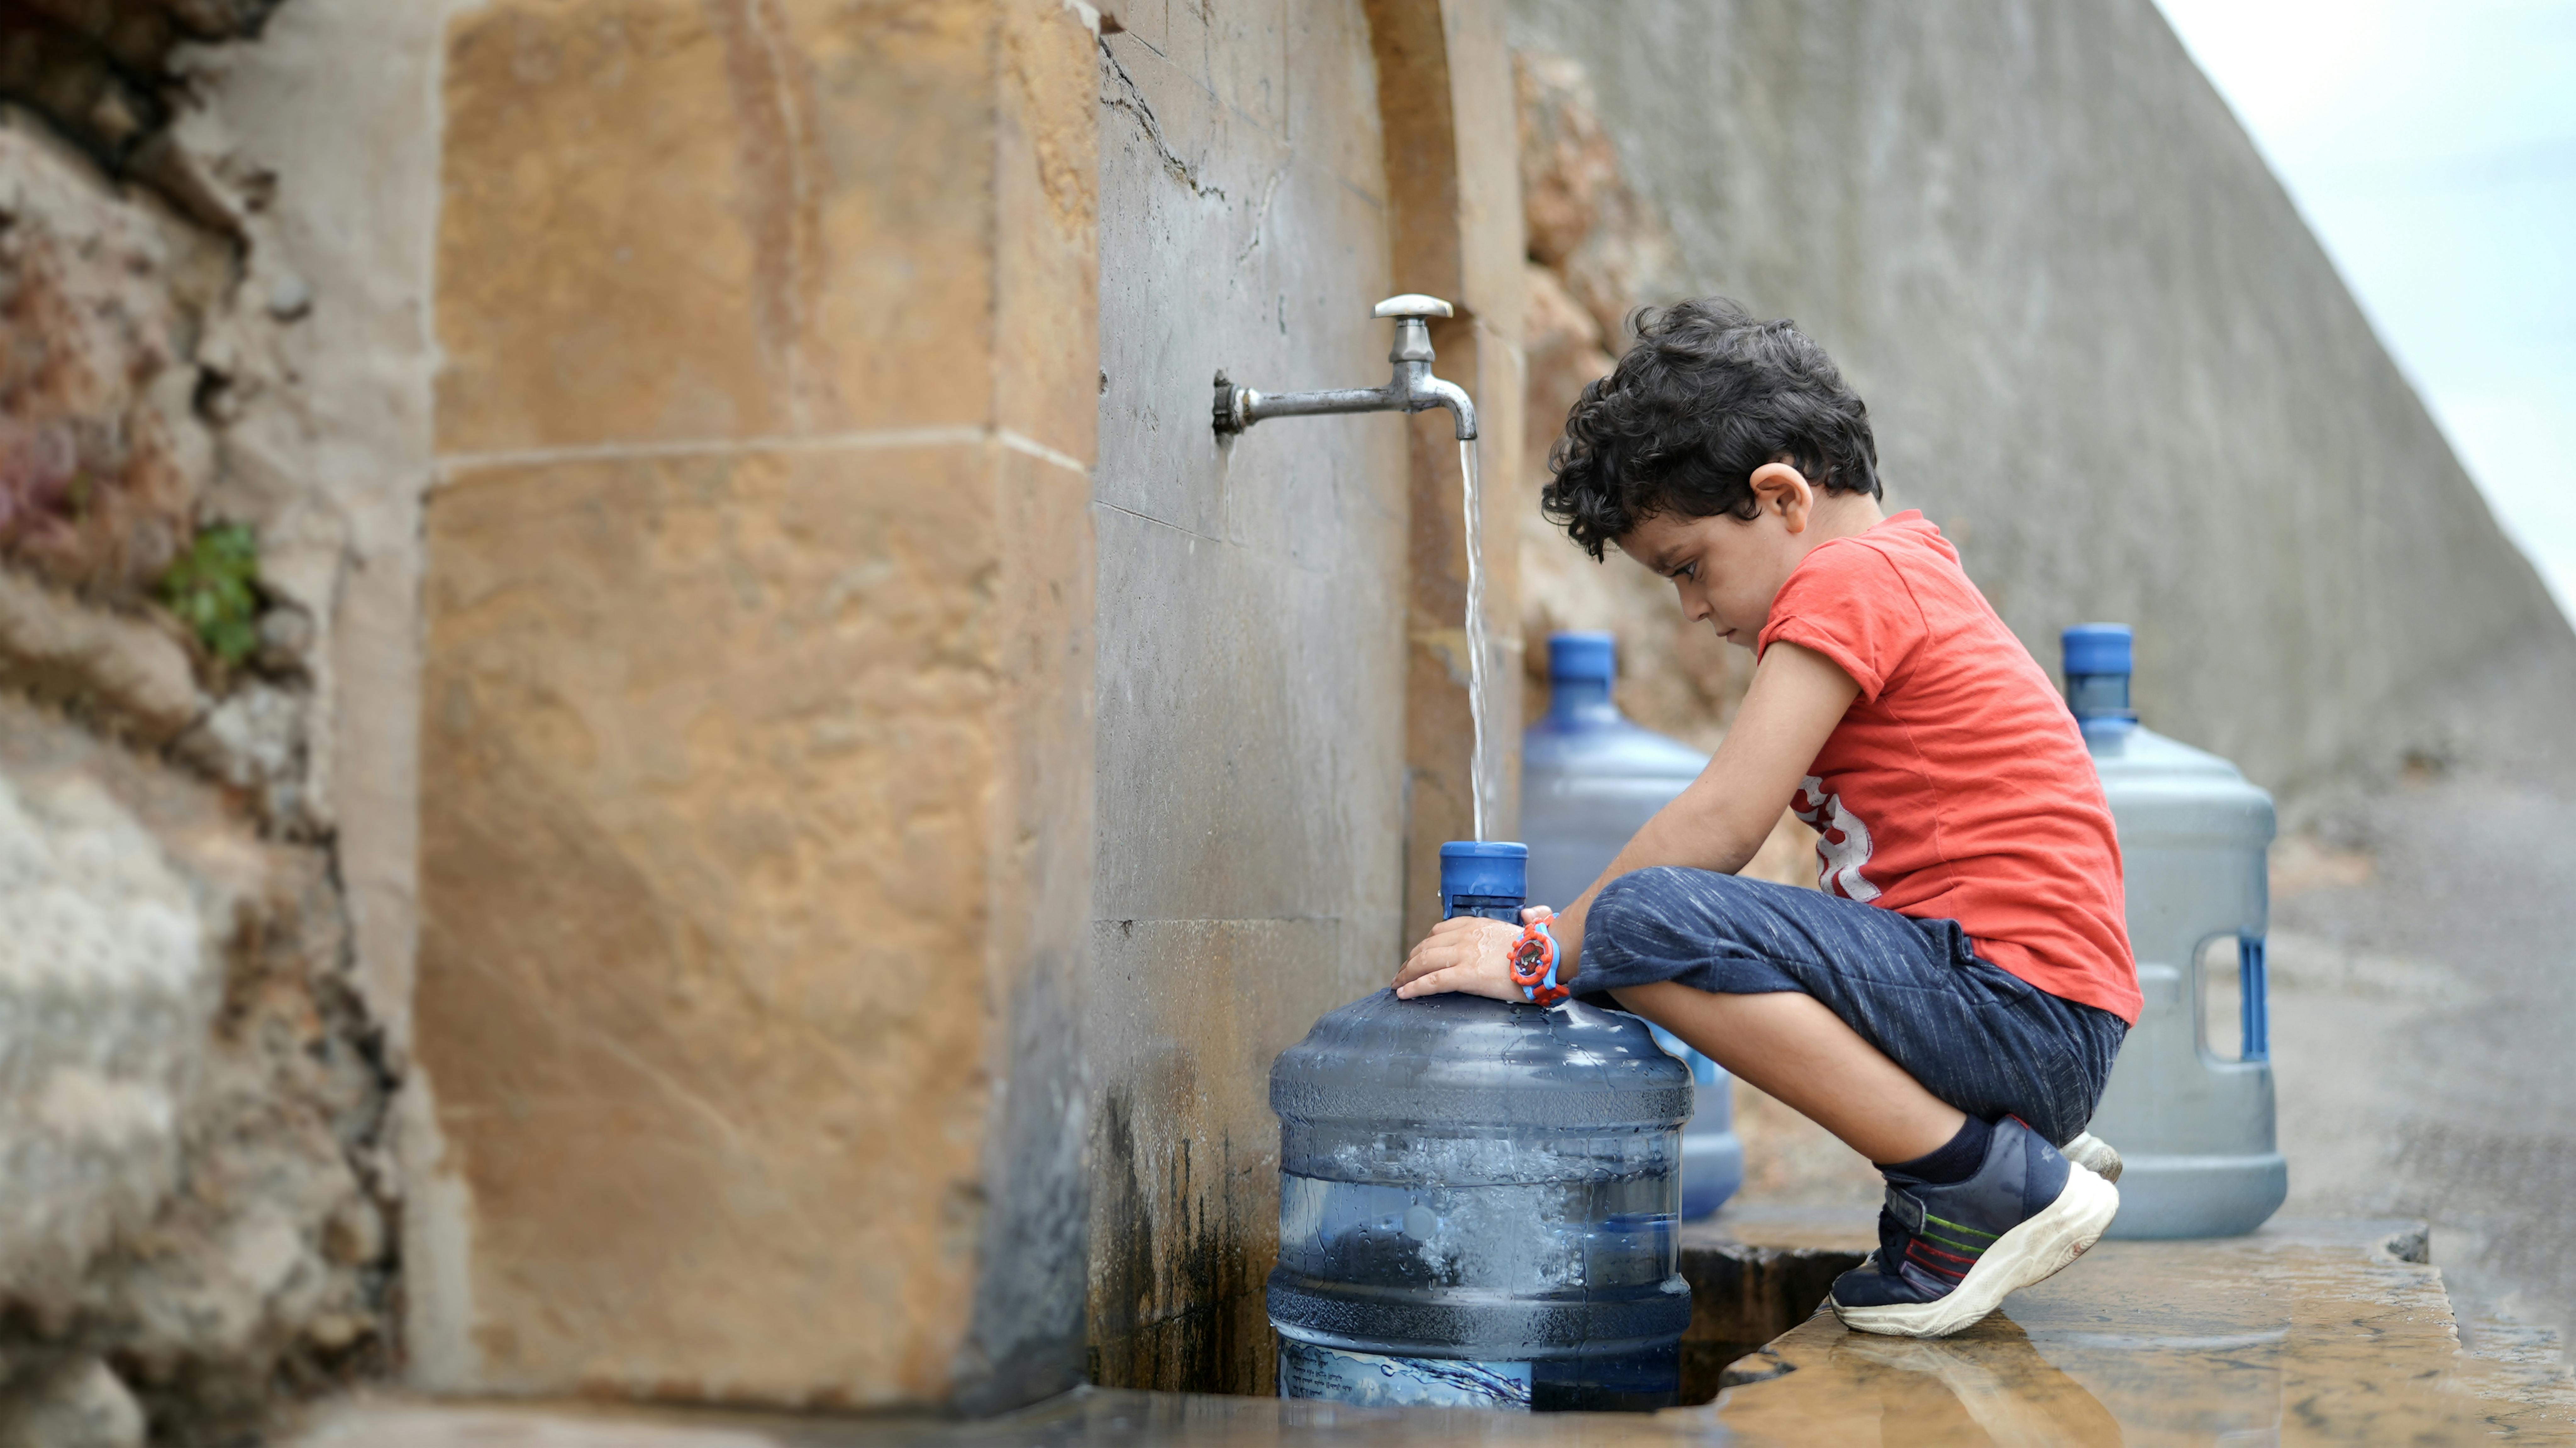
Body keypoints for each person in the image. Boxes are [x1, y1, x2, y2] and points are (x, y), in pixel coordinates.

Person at [1394, 299, 2136, 1339]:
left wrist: (1542, 954)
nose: (1694, 610)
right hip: (2035, 1013)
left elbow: (1724, 821)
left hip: (2013, 1008)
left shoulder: (1847, 580)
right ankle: (1973, 1170)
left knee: (1644, 924)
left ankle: (1979, 1182)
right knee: (1650, 928)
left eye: (1689, 567)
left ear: (1781, 496)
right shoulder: (1902, 571)